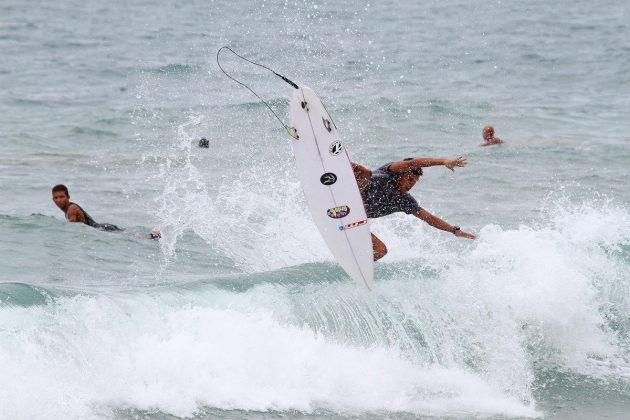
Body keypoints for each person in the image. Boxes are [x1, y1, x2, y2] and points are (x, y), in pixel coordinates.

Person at [351, 157, 476, 261]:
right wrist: (443, 162)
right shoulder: (389, 173)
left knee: (381, 250)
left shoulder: (404, 200)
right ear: (401, 173)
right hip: (347, 195)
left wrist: (454, 230)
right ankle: (336, 166)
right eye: (410, 179)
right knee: (365, 172)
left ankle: (356, 264)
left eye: (415, 181)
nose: (411, 184)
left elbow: (430, 218)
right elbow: (412, 163)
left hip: (352, 219)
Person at [51, 184, 161, 239]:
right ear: (53, 200)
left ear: (68, 197)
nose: (59, 200)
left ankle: (153, 236)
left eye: (62, 196)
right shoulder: (69, 209)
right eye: (56, 198)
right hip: (102, 227)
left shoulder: (71, 209)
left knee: (132, 236)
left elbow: (73, 232)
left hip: (102, 228)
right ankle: (152, 236)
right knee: (129, 235)